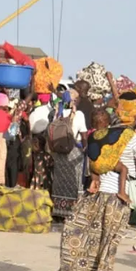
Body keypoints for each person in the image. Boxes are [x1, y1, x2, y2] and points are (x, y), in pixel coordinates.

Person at [60, 93, 136, 271]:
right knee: (109, 243)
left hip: (98, 195)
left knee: (99, 240)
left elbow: (93, 163)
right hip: (116, 199)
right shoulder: (135, 138)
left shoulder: (100, 135)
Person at [49, 90, 88, 219]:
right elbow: (83, 134)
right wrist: (85, 147)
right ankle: (72, 211)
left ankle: (58, 211)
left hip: (59, 151)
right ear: (74, 100)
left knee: (59, 181)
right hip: (74, 150)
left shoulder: (57, 112)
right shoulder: (79, 114)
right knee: (74, 180)